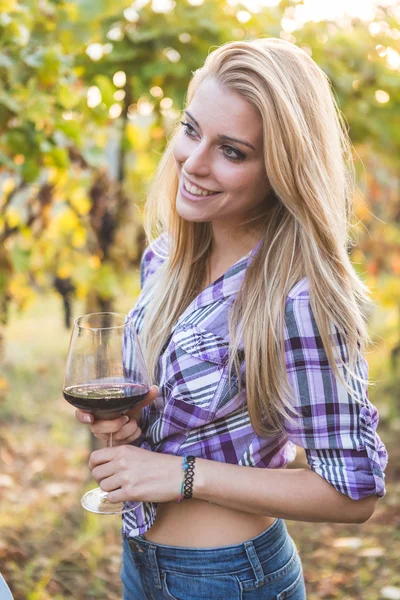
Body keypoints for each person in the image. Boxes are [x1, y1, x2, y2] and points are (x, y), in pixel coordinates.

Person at [76, 38, 388, 599]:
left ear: (282, 169)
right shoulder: (167, 258)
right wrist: (126, 428)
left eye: (233, 151)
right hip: (142, 560)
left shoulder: (298, 296)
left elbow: (354, 494)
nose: (193, 163)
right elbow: (180, 418)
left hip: (229, 579)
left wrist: (184, 477)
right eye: (191, 130)